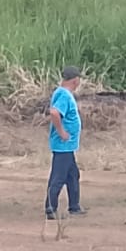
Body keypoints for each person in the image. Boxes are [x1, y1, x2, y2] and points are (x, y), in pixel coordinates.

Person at [46, 66, 86, 219]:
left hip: (67, 146)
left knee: (72, 175)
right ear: (75, 80)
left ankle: (74, 206)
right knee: (58, 178)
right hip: (63, 146)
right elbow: (54, 112)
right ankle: (50, 208)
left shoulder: (63, 93)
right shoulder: (63, 95)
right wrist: (61, 132)